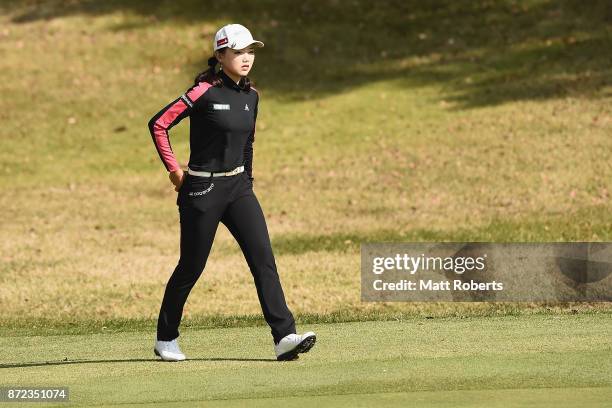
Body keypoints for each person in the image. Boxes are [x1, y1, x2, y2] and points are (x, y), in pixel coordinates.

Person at [147, 23, 316, 362]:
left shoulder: (252, 96)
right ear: (220, 55)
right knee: (191, 266)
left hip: (238, 188)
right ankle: (166, 338)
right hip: (202, 189)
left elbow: (248, 143)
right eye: (238, 52)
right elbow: (159, 123)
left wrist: (247, 182)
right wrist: (174, 170)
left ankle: (284, 337)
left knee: (263, 259)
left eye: (250, 51)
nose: (246, 58)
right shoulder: (202, 91)